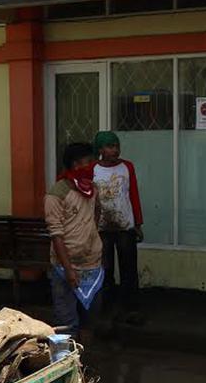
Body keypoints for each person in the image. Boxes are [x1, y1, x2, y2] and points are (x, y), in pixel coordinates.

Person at [45, 142, 104, 337]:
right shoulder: (57, 194)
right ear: (75, 165)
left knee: (91, 317)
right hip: (65, 267)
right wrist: (69, 269)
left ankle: (87, 362)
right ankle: (66, 361)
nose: (91, 167)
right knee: (66, 322)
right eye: (87, 163)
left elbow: (96, 212)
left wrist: (91, 237)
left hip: (92, 264)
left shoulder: (92, 189)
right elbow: (56, 234)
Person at [92, 131, 144, 327]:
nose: (115, 149)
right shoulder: (92, 169)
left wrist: (138, 222)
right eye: (110, 146)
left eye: (116, 145)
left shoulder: (127, 167)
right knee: (105, 270)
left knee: (129, 269)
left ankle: (131, 308)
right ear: (100, 150)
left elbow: (134, 194)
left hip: (125, 226)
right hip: (101, 227)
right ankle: (107, 309)